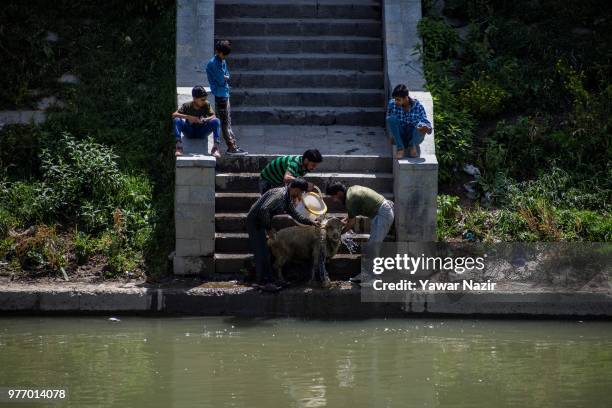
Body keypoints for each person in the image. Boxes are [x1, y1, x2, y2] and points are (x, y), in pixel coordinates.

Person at [246, 178, 318, 291]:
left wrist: (311, 222)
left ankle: (269, 279)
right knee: (261, 251)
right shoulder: (279, 195)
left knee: (265, 250)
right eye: (300, 192)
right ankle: (263, 282)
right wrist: (269, 229)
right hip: (254, 221)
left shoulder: (287, 198)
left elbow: (295, 215)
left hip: (262, 221)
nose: (300, 196)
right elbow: (264, 210)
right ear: (295, 189)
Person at [326, 182, 394, 285]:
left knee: (373, 246)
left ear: (339, 193)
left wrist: (339, 234)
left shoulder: (350, 199)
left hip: (383, 214)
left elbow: (351, 223)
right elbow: (351, 216)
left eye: (333, 196)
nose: (334, 200)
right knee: (370, 247)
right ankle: (366, 274)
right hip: (381, 212)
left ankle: (376, 278)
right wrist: (344, 222)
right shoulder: (351, 191)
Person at [205, 40, 247, 155]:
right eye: (223, 54)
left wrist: (225, 77)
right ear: (217, 51)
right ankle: (231, 147)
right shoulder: (213, 63)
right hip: (220, 95)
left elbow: (227, 75)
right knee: (225, 123)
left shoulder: (222, 60)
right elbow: (220, 80)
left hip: (225, 92)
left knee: (227, 121)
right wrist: (225, 78)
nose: (224, 57)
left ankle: (233, 146)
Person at [172, 85, 222, 157]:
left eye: (205, 99)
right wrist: (188, 117)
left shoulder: (206, 104)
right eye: (202, 99)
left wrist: (206, 119)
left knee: (216, 121)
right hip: (189, 131)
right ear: (195, 98)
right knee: (177, 120)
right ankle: (179, 147)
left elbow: (213, 116)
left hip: (202, 131)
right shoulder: (187, 106)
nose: (204, 101)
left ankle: (215, 148)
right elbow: (174, 115)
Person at [386, 84, 433, 159]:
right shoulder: (392, 104)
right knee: (391, 119)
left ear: (405, 98)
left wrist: (426, 128)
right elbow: (391, 121)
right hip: (401, 134)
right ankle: (400, 148)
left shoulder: (418, 107)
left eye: (398, 99)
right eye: (395, 99)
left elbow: (426, 122)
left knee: (421, 125)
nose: (396, 101)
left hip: (414, 135)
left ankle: (412, 146)